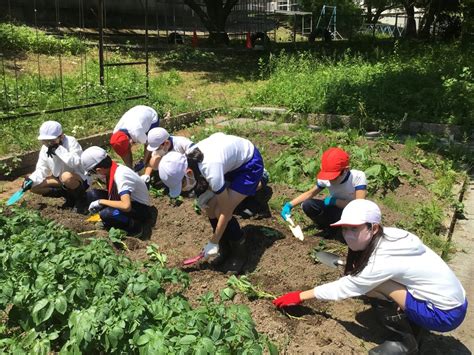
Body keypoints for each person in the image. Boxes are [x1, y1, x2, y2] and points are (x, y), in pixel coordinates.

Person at [273, 199, 467, 354]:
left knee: (378, 285)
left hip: (443, 315)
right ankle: (412, 317)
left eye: (354, 229)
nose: (348, 235)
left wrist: (300, 296)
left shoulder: (380, 262)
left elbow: (344, 288)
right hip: (454, 299)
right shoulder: (392, 235)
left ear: (373, 228)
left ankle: (403, 343)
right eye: (345, 228)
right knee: (379, 282)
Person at [158, 132, 265, 274]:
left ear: (188, 173)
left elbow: (227, 211)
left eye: (181, 184)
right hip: (231, 164)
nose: (183, 189)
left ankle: (239, 253)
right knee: (209, 207)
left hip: (249, 165)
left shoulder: (210, 169)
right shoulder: (190, 158)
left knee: (220, 211)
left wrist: (213, 241)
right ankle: (224, 246)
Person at [281, 147, 367, 235]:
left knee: (353, 216)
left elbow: (359, 206)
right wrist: (290, 205)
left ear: (345, 170)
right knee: (308, 205)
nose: (330, 180)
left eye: (334, 176)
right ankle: (329, 227)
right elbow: (310, 193)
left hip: (351, 214)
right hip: (334, 210)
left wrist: (335, 201)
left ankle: (343, 229)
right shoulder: (326, 179)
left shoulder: (357, 177)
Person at [81, 146, 152, 237]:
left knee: (107, 213)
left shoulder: (121, 176)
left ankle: (134, 227)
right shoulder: (113, 167)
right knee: (93, 195)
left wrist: (101, 202)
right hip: (130, 201)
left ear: (99, 170)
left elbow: (126, 206)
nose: (94, 175)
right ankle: (113, 219)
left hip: (141, 209)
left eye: (93, 173)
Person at [21, 120, 89, 214]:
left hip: (78, 177)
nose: (48, 144)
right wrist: (31, 180)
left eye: (51, 141)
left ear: (61, 136)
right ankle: (69, 196)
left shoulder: (71, 142)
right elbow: (42, 169)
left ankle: (81, 200)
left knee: (66, 176)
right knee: (34, 186)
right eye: (45, 141)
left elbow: (76, 162)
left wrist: (59, 150)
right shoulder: (45, 148)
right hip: (59, 179)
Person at [109, 105, 160, 171]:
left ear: (130, 141)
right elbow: (124, 152)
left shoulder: (137, 133)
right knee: (126, 151)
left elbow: (149, 144)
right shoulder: (115, 134)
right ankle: (130, 168)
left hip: (151, 116)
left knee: (151, 140)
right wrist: (130, 168)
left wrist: (143, 162)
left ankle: (147, 163)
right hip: (136, 114)